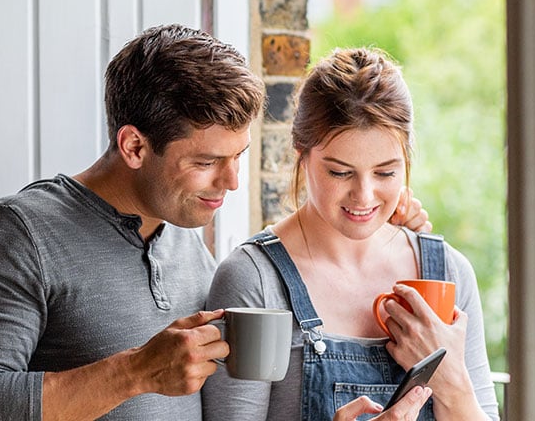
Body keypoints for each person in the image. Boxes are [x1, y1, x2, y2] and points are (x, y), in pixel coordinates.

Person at [0, 25, 431, 420]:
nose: (232, 182)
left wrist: (385, 225)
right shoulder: (16, 234)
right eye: (206, 162)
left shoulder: (185, 244)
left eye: (239, 156)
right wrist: (135, 372)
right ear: (134, 146)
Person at [202, 47, 500, 420]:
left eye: (385, 173)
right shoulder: (255, 281)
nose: (363, 195)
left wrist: (452, 382)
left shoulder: (447, 274)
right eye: (340, 172)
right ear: (301, 154)